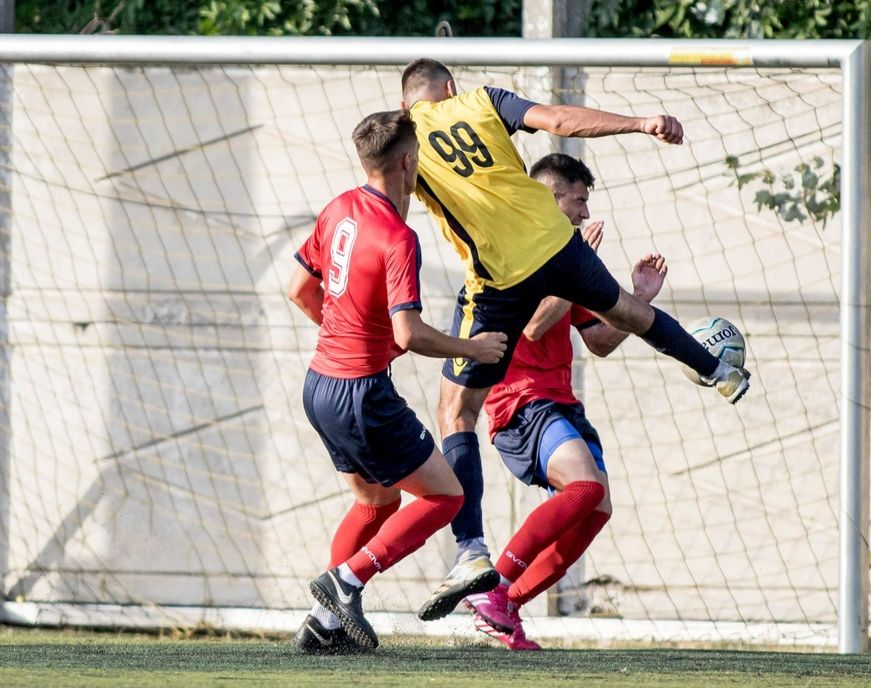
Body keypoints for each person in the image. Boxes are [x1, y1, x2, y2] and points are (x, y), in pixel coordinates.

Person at [400, 59, 751, 623]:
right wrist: (640, 122)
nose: (586, 209)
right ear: (451, 89)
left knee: (456, 413)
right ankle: (714, 368)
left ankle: (474, 557)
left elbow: (390, 207)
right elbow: (560, 119)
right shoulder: (482, 101)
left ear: (405, 105)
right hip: (541, 327)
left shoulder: (407, 141)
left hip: (499, 278)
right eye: (579, 201)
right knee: (629, 317)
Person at [286, 109, 507, 654]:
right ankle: (346, 582)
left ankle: (322, 622)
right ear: (409, 162)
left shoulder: (338, 208)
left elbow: (298, 289)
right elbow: (408, 334)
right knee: (447, 496)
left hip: (320, 386)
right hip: (362, 394)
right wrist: (471, 347)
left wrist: (349, 332)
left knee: (376, 504)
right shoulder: (398, 236)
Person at [461, 153, 667, 650]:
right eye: (578, 201)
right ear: (551, 200)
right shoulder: (514, 251)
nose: (584, 212)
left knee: (597, 508)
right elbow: (531, 325)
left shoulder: (568, 259)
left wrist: (641, 298)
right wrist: (575, 261)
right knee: (584, 488)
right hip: (522, 403)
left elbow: (598, 341)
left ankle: (505, 606)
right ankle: (493, 590)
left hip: (560, 405)